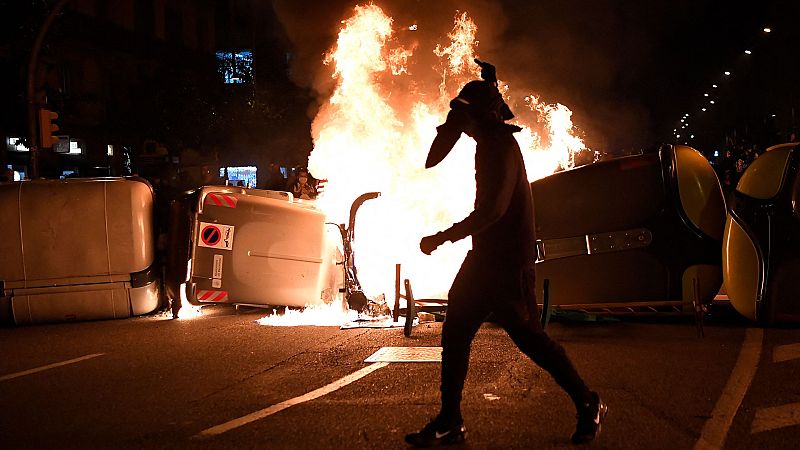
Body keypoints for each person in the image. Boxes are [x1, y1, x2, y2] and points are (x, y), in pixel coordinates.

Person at [406, 59, 607, 447]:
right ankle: (450, 419)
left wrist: (443, 236)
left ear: (478, 117)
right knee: (457, 330)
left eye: (464, 118)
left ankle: (588, 402)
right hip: (484, 261)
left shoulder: (497, 148)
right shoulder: (490, 143)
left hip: (507, 265)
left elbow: (493, 211)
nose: (459, 128)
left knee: (532, 340)